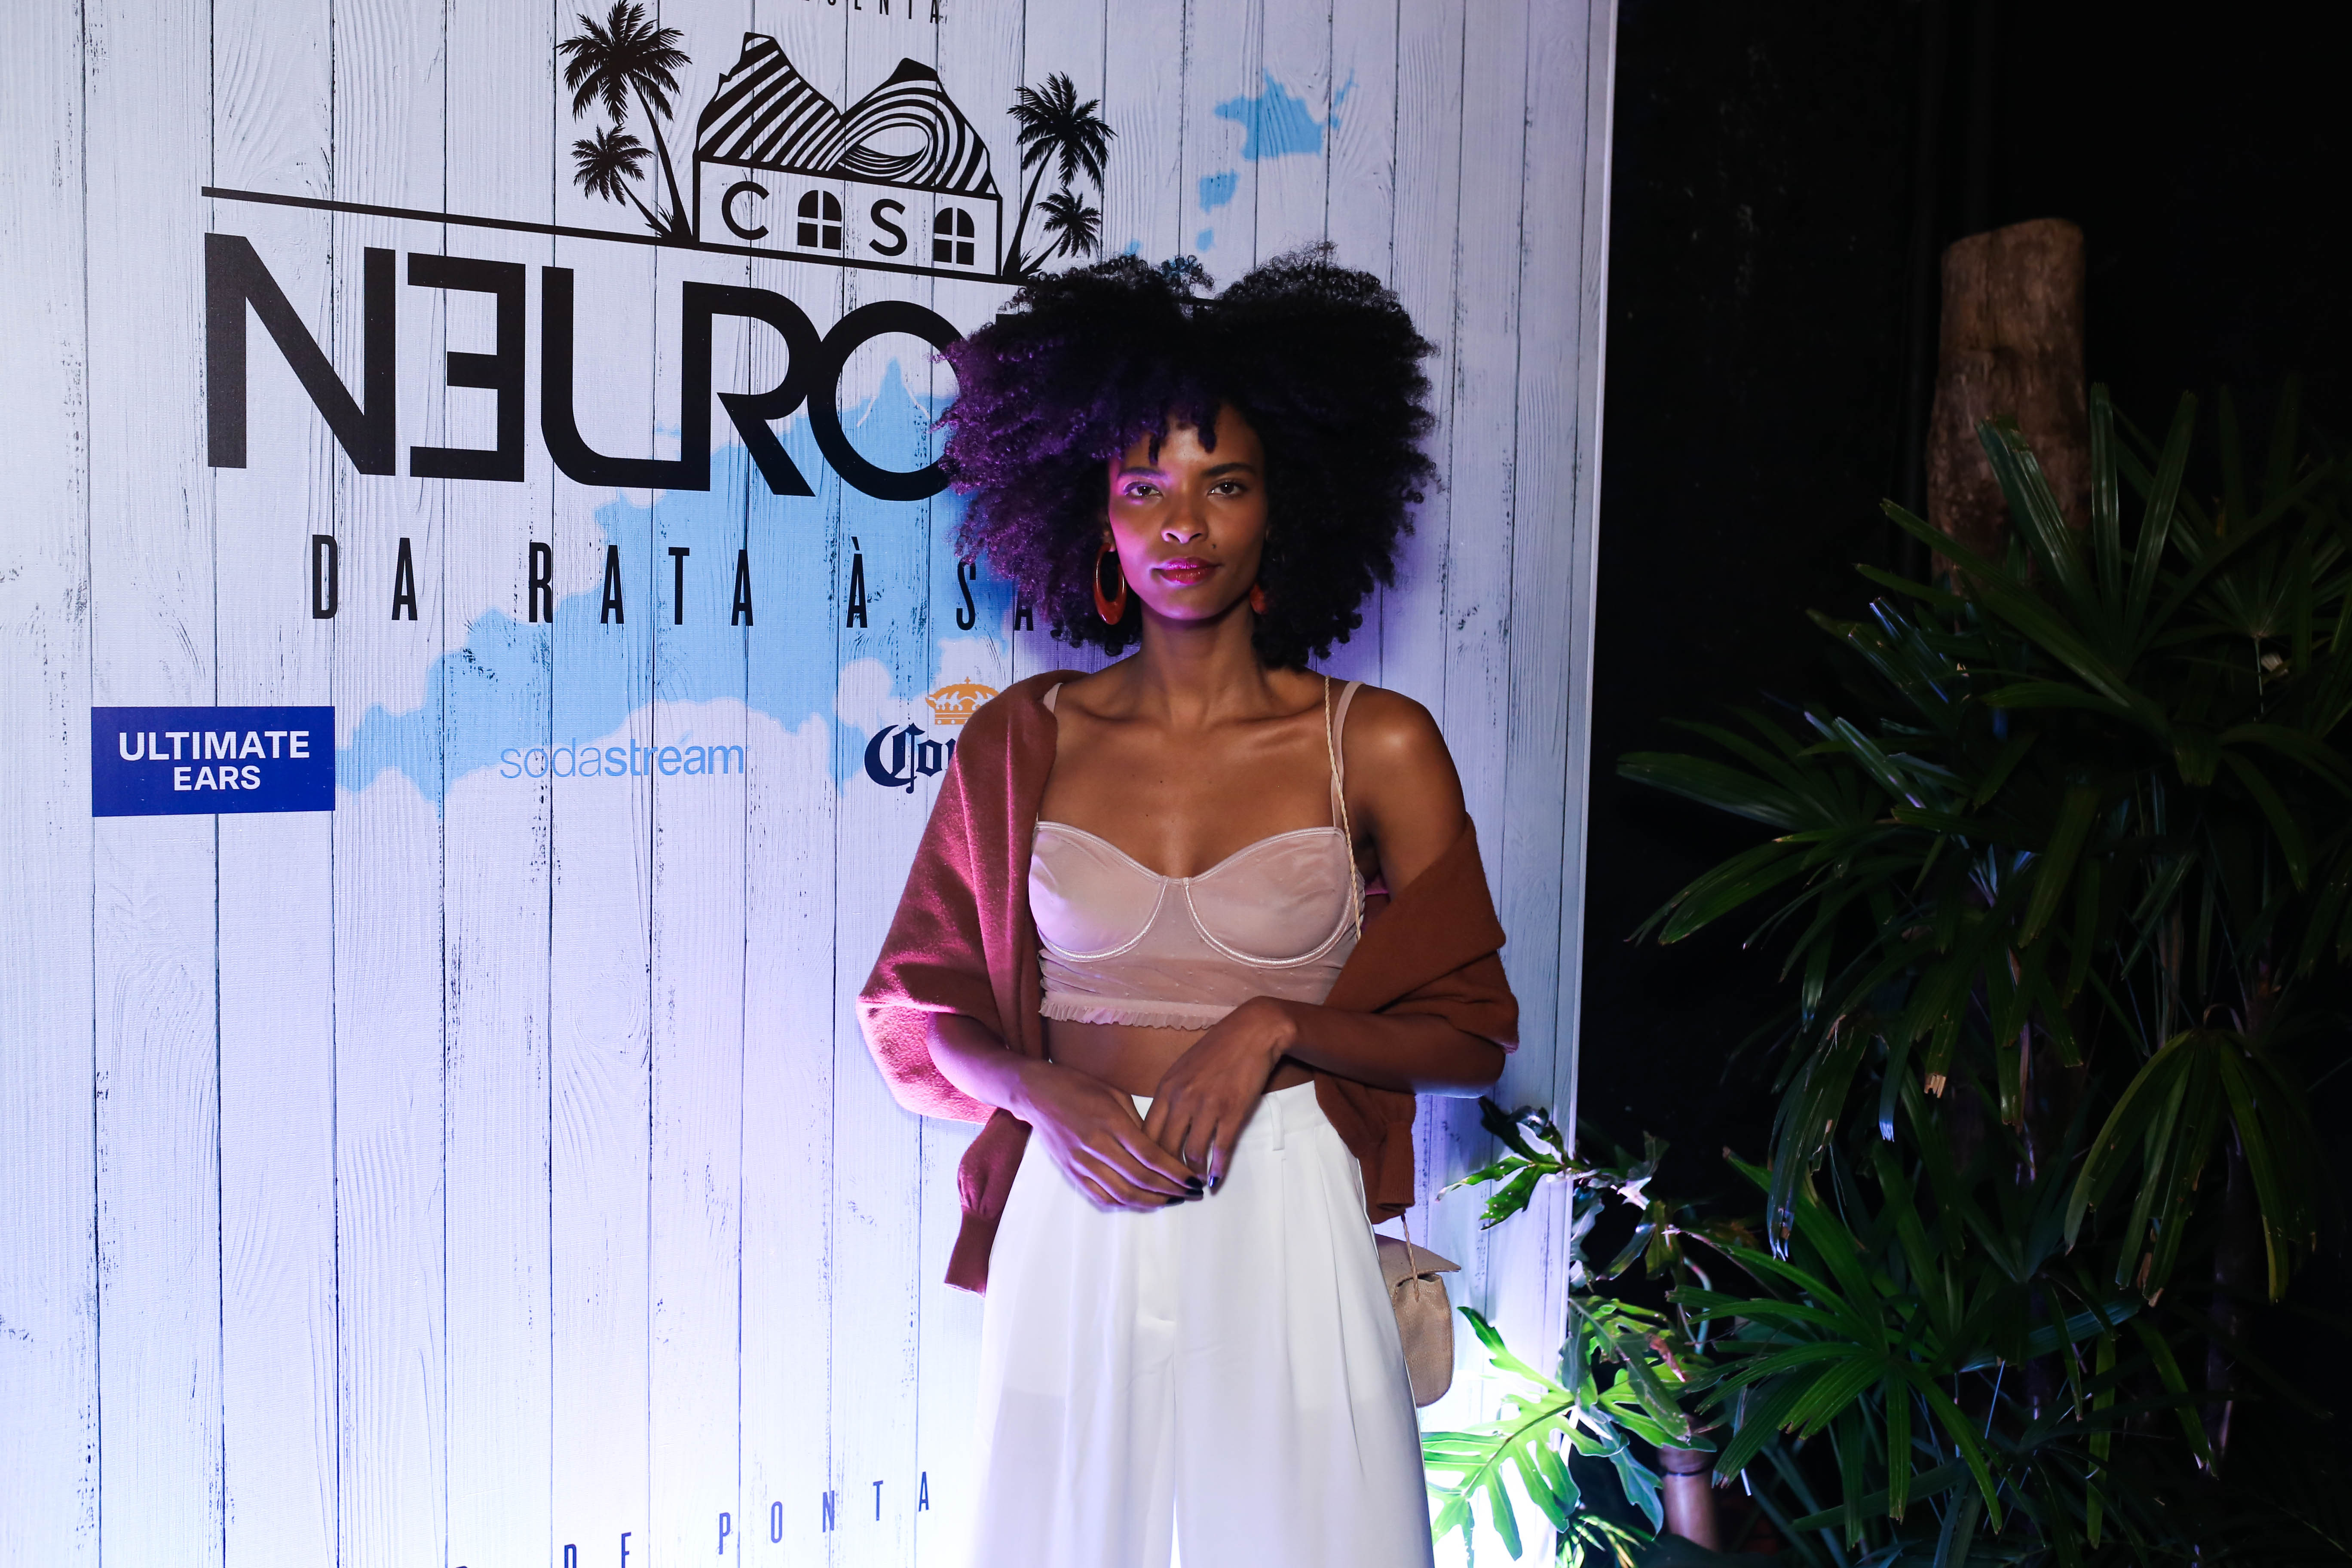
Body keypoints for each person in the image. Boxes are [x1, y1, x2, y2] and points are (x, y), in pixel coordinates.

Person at [859, 249, 1518, 1568]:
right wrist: (1041, 1093)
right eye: (1142, 486)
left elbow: (1474, 1036)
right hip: (1075, 1197)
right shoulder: (1022, 737)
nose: (1182, 524)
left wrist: (1276, 1024)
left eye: (1225, 483)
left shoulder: (1376, 743)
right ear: (1091, 513)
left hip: (1285, 1199)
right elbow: (924, 1015)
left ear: (1285, 506)